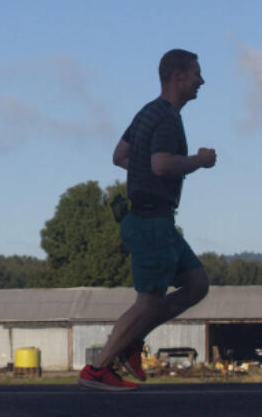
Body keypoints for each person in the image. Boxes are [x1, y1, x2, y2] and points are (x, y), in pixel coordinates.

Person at [79, 49, 216, 391]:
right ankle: (99, 368)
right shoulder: (167, 118)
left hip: (157, 221)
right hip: (151, 220)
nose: (202, 80)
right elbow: (161, 165)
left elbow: (120, 156)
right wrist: (199, 160)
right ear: (178, 75)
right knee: (149, 300)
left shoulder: (147, 113)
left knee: (197, 283)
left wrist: (149, 168)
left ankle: (131, 342)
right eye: (197, 73)